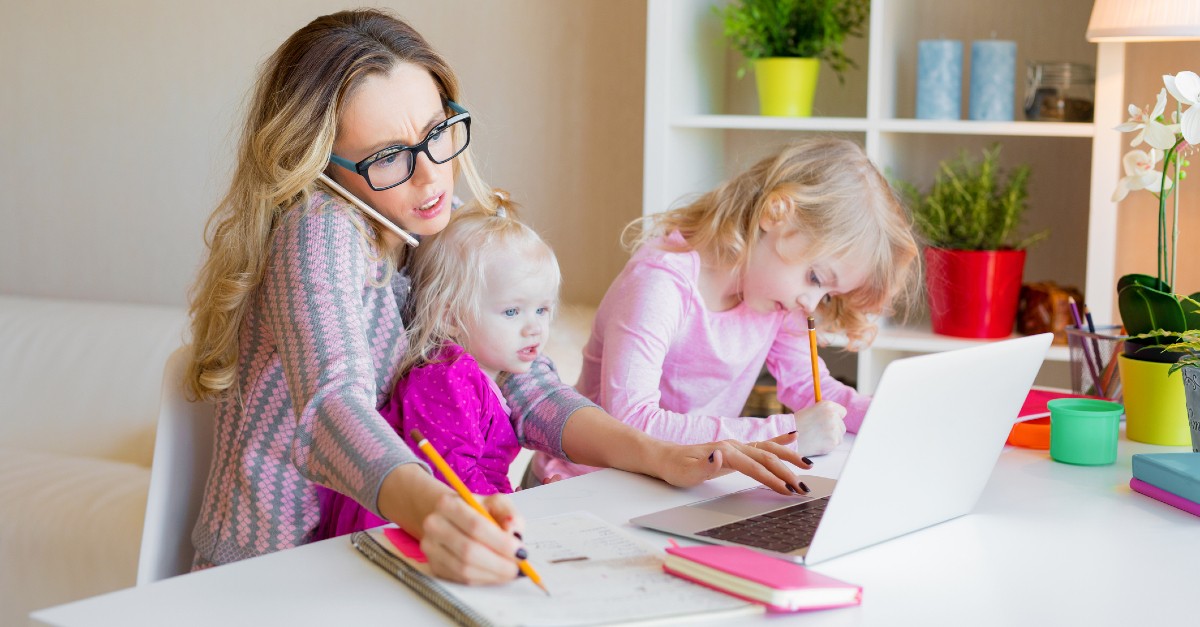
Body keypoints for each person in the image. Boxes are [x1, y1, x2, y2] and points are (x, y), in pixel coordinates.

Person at [185, 8, 809, 584]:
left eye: (437, 134)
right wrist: (435, 513)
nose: (432, 177)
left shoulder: (429, 219)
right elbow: (331, 408)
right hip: (276, 570)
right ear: (321, 167)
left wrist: (662, 455)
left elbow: (526, 385)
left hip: (369, 549)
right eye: (387, 159)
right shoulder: (318, 227)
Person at [531, 138, 919, 484]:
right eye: (816, 277)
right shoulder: (661, 283)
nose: (812, 304)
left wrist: (894, 415)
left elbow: (812, 389)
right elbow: (632, 423)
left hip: (678, 482)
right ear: (776, 214)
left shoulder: (775, 298)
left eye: (829, 295)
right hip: (584, 484)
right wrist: (785, 433)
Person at [316, 200, 561, 538]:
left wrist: (517, 504)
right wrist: (509, 513)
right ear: (450, 317)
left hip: (450, 518)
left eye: (542, 309)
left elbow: (482, 474)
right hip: (389, 529)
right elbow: (453, 475)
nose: (534, 328)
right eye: (512, 312)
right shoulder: (447, 377)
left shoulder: (489, 377)